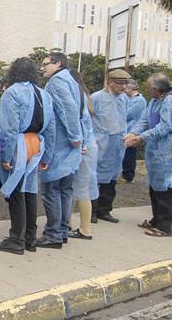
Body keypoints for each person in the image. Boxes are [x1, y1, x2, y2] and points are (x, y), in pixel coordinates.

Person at [0, 58, 55, 254]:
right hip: (37, 144)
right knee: (30, 191)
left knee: (16, 191)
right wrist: (47, 156)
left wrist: (6, 157)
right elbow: (51, 128)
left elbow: (8, 129)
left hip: (19, 145)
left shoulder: (12, 92)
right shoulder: (44, 94)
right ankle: (30, 238)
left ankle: (16, 239)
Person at [124, 73, 172, 237]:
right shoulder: (155, 101)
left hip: (167, 151)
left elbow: (165, 126)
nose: (147, 90)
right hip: (155, 150)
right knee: (155, 186)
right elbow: (144, 120)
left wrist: (141, 138)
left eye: (149, 87)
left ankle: (165, 226)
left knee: (164, 188)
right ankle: (156, 219)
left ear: (156, 88)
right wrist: (132, 132)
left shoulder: (170, 101)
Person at [38, 52, 83, 249]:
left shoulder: (57, 82)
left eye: (45, 64)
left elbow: (69, 109)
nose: (42, 68)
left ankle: (53, 234)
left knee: (51, 191)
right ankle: (62, 230)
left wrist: (75, 136)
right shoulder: (71, 79)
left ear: (57, 64)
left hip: (59, 144)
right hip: (69, 146)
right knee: (65, 190)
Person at [91, 70, 130, 224]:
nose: (124, 87)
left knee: (112, 176)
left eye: (126, 83)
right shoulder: (97, 97)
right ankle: (92, 210)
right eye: (121, 83)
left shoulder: (124, 99)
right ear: (111, 82)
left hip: (118, 141)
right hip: (101, 140)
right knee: (95, 177)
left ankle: (104, 209)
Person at [67, 69, 97, 240]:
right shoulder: (85, 96)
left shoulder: (78, 98)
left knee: (81, 188)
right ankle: (69, 223)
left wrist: (83, 143)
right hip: (88, 145)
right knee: (74, 187)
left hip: (84, 147)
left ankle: (85, 229)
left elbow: (82, 124)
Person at [121, 80, 146, 182]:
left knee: (129, 154)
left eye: (126, 86)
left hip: (133, 130)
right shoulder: (129, 99)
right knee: (125, 153)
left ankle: (128, 176)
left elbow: (127, 114)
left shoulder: (139, 100)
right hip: (127, 129)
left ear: (131, 88)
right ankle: (124, 173)